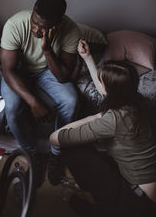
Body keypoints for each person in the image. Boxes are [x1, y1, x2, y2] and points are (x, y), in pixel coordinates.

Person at [49, 39, 156, 216]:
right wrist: (88, 57)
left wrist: (95, 117)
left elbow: (55, 138)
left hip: (140, 201)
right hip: (149, 186)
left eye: (102, 82)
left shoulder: (113, 119)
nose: (99, 85)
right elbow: (104, 89)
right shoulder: (140, 101)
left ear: (112, 89)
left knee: (72, 150)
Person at [0, 0, 80, 187]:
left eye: (42, 27)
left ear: (57, 23)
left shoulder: (71, 31)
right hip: (19, 71)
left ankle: (56, 154)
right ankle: (32, 154)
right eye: (34, 21)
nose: (35, 29)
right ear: (34, 10)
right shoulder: (15, 24)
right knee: (11, 107)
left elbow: (63, 76)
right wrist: (33, 101)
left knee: (71, 100)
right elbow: (7, 69)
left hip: (47, 72)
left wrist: (47, 49)